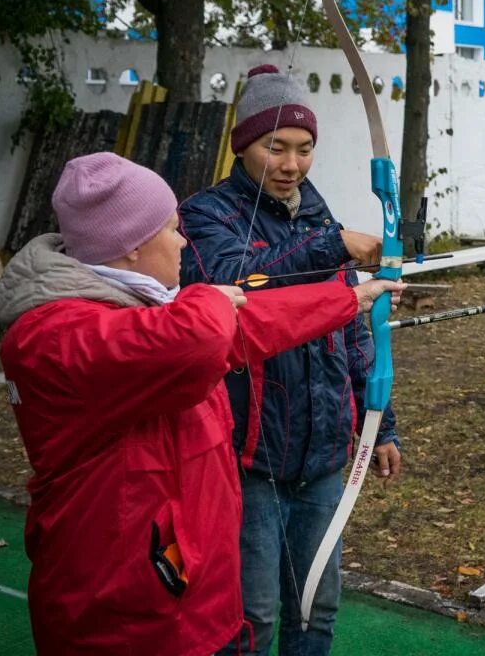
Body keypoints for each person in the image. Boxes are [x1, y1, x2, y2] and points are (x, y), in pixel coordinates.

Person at [0, 152, 402, 656]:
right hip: (125, 611)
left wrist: (349, 300)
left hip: (185, 591)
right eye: (170, 229)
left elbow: (241, 328)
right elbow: (200, 337)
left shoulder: (141, 311)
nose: (184, 241)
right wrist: (206, 297)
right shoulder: (53, 335)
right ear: (130, 249)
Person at [178, 64, 403, 655]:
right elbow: (240, 282)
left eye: (304, 149)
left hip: (324, 454)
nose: (291, 164)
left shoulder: (316, 212)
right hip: (250, 458)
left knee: (315, 609)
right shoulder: (205, 216)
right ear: (243, 145)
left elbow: (352, 328)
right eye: (274, 147)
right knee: (250, 617)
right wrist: (335, 245)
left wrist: (382, 420)